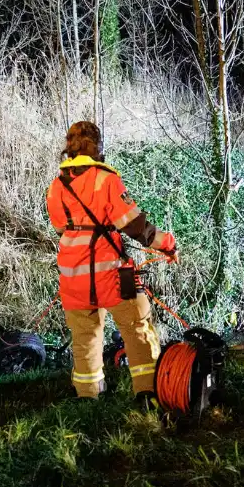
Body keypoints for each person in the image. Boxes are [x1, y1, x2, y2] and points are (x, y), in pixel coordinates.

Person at [47, 121, 177, 406]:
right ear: (98, 147)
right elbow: (134, 226)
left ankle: (88, 397)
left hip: (73, 276)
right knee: (136, 326)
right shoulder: (105, 179)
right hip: (110, 273)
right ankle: (147, 393)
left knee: (84, 336)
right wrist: (168, 244)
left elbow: (61, 228)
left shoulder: (56, 186)